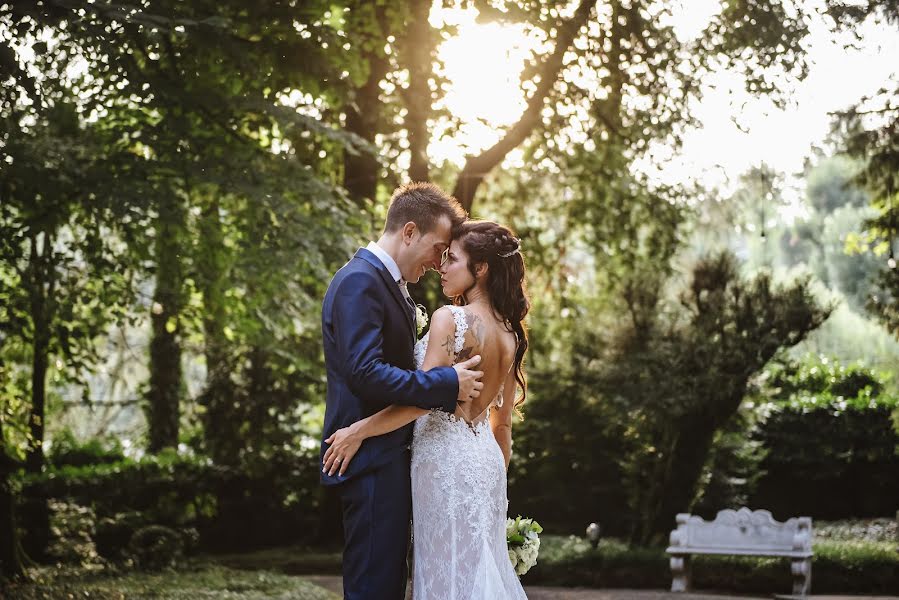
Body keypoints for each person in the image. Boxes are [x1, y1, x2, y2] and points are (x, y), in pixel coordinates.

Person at [324, 220, 530, 599]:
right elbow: (502, 428)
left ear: (480, 268)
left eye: (452, 259)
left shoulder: (449, 319)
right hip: (485, 464)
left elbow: (425, 398)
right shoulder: (509, 333)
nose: (442, 267)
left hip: (445, 461)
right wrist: (491, 487)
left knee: (445, 576)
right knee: (475, 573)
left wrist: (361, 430)